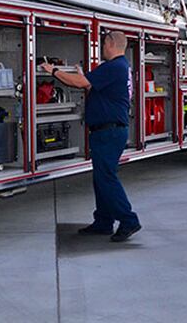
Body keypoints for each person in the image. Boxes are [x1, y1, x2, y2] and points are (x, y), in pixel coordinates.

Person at [41, 31, 141, 242]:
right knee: (102, 178)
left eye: (103, 43)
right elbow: (91, 85)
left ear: (111, 44)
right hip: (110, 131)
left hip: (109, 132)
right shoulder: (121, 68)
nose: (102, 48)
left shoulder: (113, 67)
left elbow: (80, 83)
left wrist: (54, 70)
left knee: (106, 178)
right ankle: (103, 222)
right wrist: (83, 75)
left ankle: (128, 220)